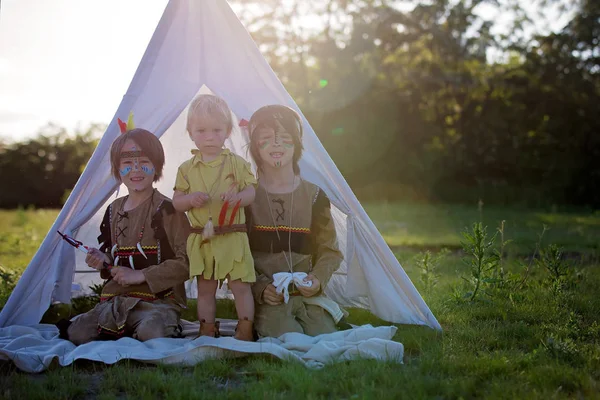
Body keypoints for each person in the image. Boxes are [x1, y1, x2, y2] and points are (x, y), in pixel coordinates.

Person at [59, 127, 191, 345]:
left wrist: (140, 275)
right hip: (117, 300)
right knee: (77, 334)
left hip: (158, 301)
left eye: (144, 162)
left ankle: (152, 327)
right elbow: (111, 256)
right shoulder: (112, 210)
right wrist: (103, 260)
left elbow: (187, 262)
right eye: (127, 163)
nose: (136, 170)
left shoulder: (169, 210)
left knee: (152, 332)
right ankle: (122, 328)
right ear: (117, 169)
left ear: (157, 166)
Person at [245, 105, 344, 338]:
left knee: (325, 336)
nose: (277, 144)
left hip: (307, 296)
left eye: (285, 138)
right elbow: (238, 254)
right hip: (270, 298)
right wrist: (260, 288)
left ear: (297, 144)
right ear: (255, 147)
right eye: (267, 139)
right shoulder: (247, 197)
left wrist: (317, 280)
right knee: (286, 336)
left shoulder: (315, 196)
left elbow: (330, 251)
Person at [173, 94, 256, 341]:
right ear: (190, 132)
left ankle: (245, 330)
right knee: (205, 289)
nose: (209, 136)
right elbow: (177, 202)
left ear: (228, 131)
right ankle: (207, 329)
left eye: (217, 130)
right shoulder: (186, 169)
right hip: (204, 239)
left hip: (233, 236)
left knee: (241, 286)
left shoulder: (237, 164)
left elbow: (252, 190)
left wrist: (240, 198)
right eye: (201, 130)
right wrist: (190, 200)